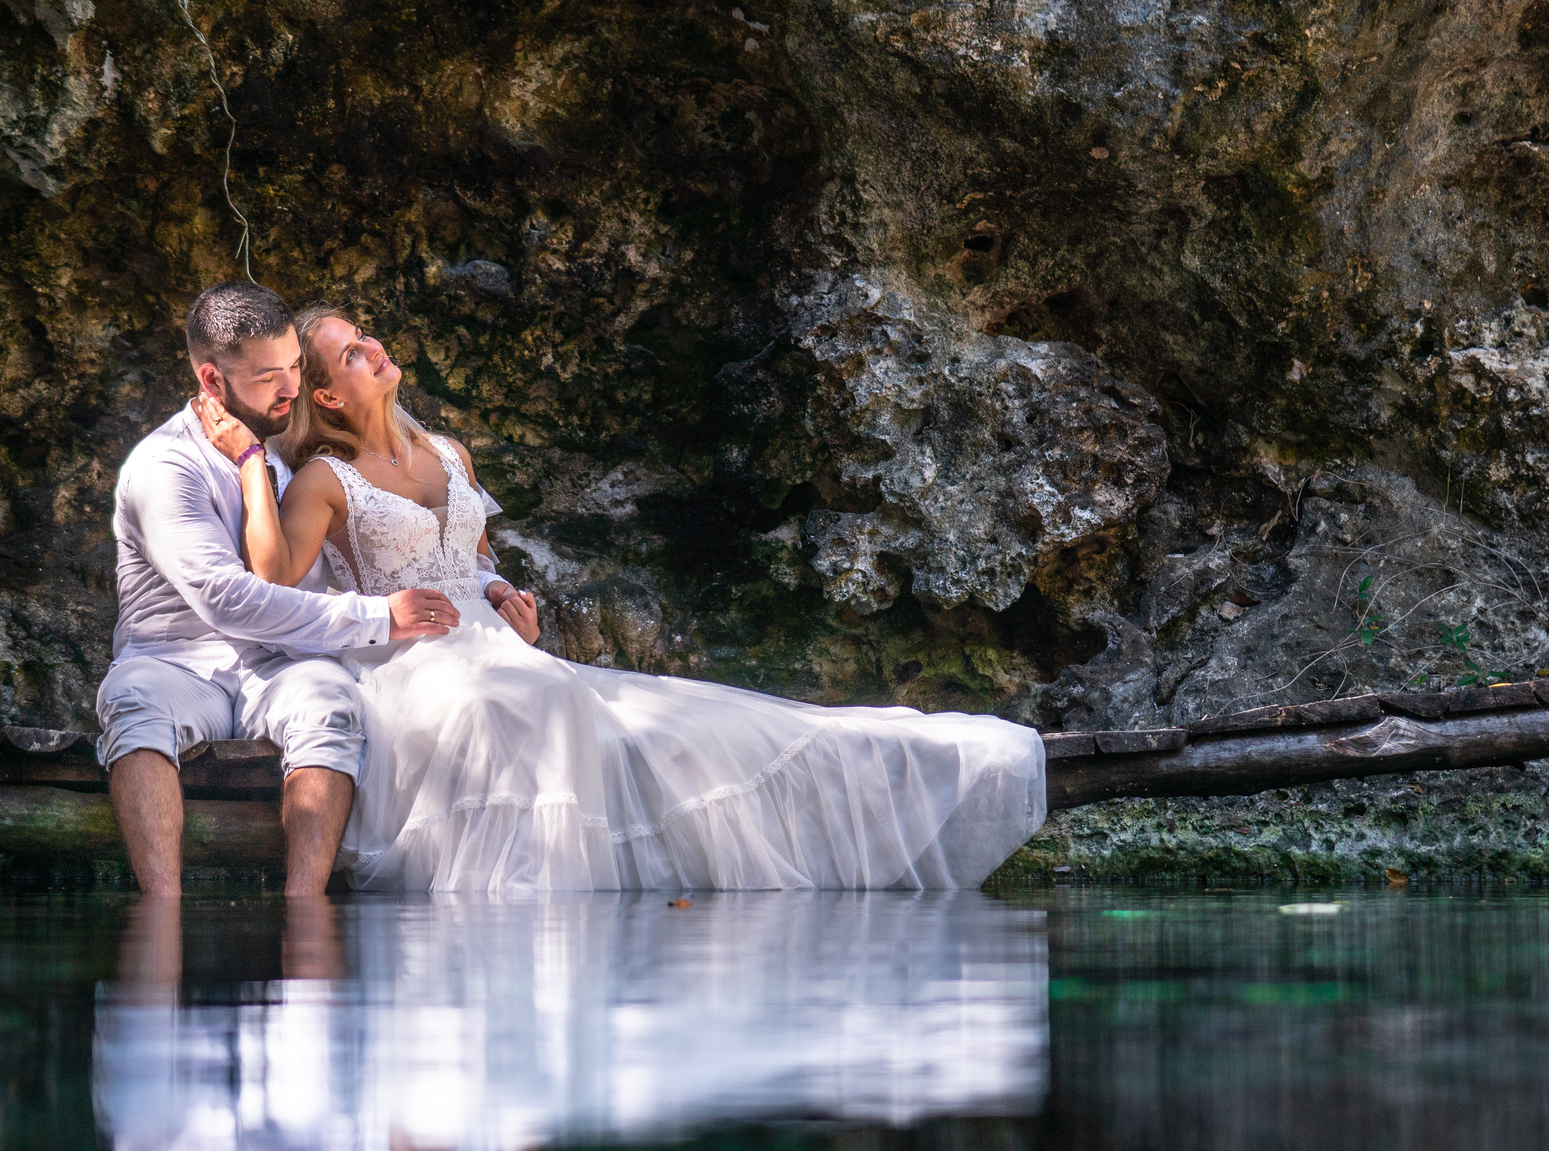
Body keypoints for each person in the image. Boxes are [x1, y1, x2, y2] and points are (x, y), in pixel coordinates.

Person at [193, 303, 1052, 893]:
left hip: (493, 641)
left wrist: (504, 596)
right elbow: (268, 577)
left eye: (365, 336)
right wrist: (247, 464)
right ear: (330, 395)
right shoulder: (321, 478)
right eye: (349, 354)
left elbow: (477, 556)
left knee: (703, 730)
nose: (374, 349)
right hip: (410, 662)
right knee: (523, 705)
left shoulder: (447, 451)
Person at [98, 281, 479, 896]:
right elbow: (228, 599)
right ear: (212, 381)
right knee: (137, 704)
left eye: (296, 367)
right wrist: (378, 618)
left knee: (330, 697)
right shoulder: (164, 466)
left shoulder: (285, 456)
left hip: (272, 665)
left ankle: (305, 913)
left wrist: (483, 591)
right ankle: (159, 917)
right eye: (267, 377)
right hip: (176, 662)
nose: (293, 389)